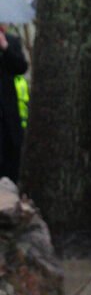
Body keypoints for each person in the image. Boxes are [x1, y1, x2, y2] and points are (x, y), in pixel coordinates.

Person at [0, 25, 29, 182]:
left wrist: (5, 47)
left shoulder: (11, 41)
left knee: (12, 157)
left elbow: (21, 67)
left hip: (8, 114)